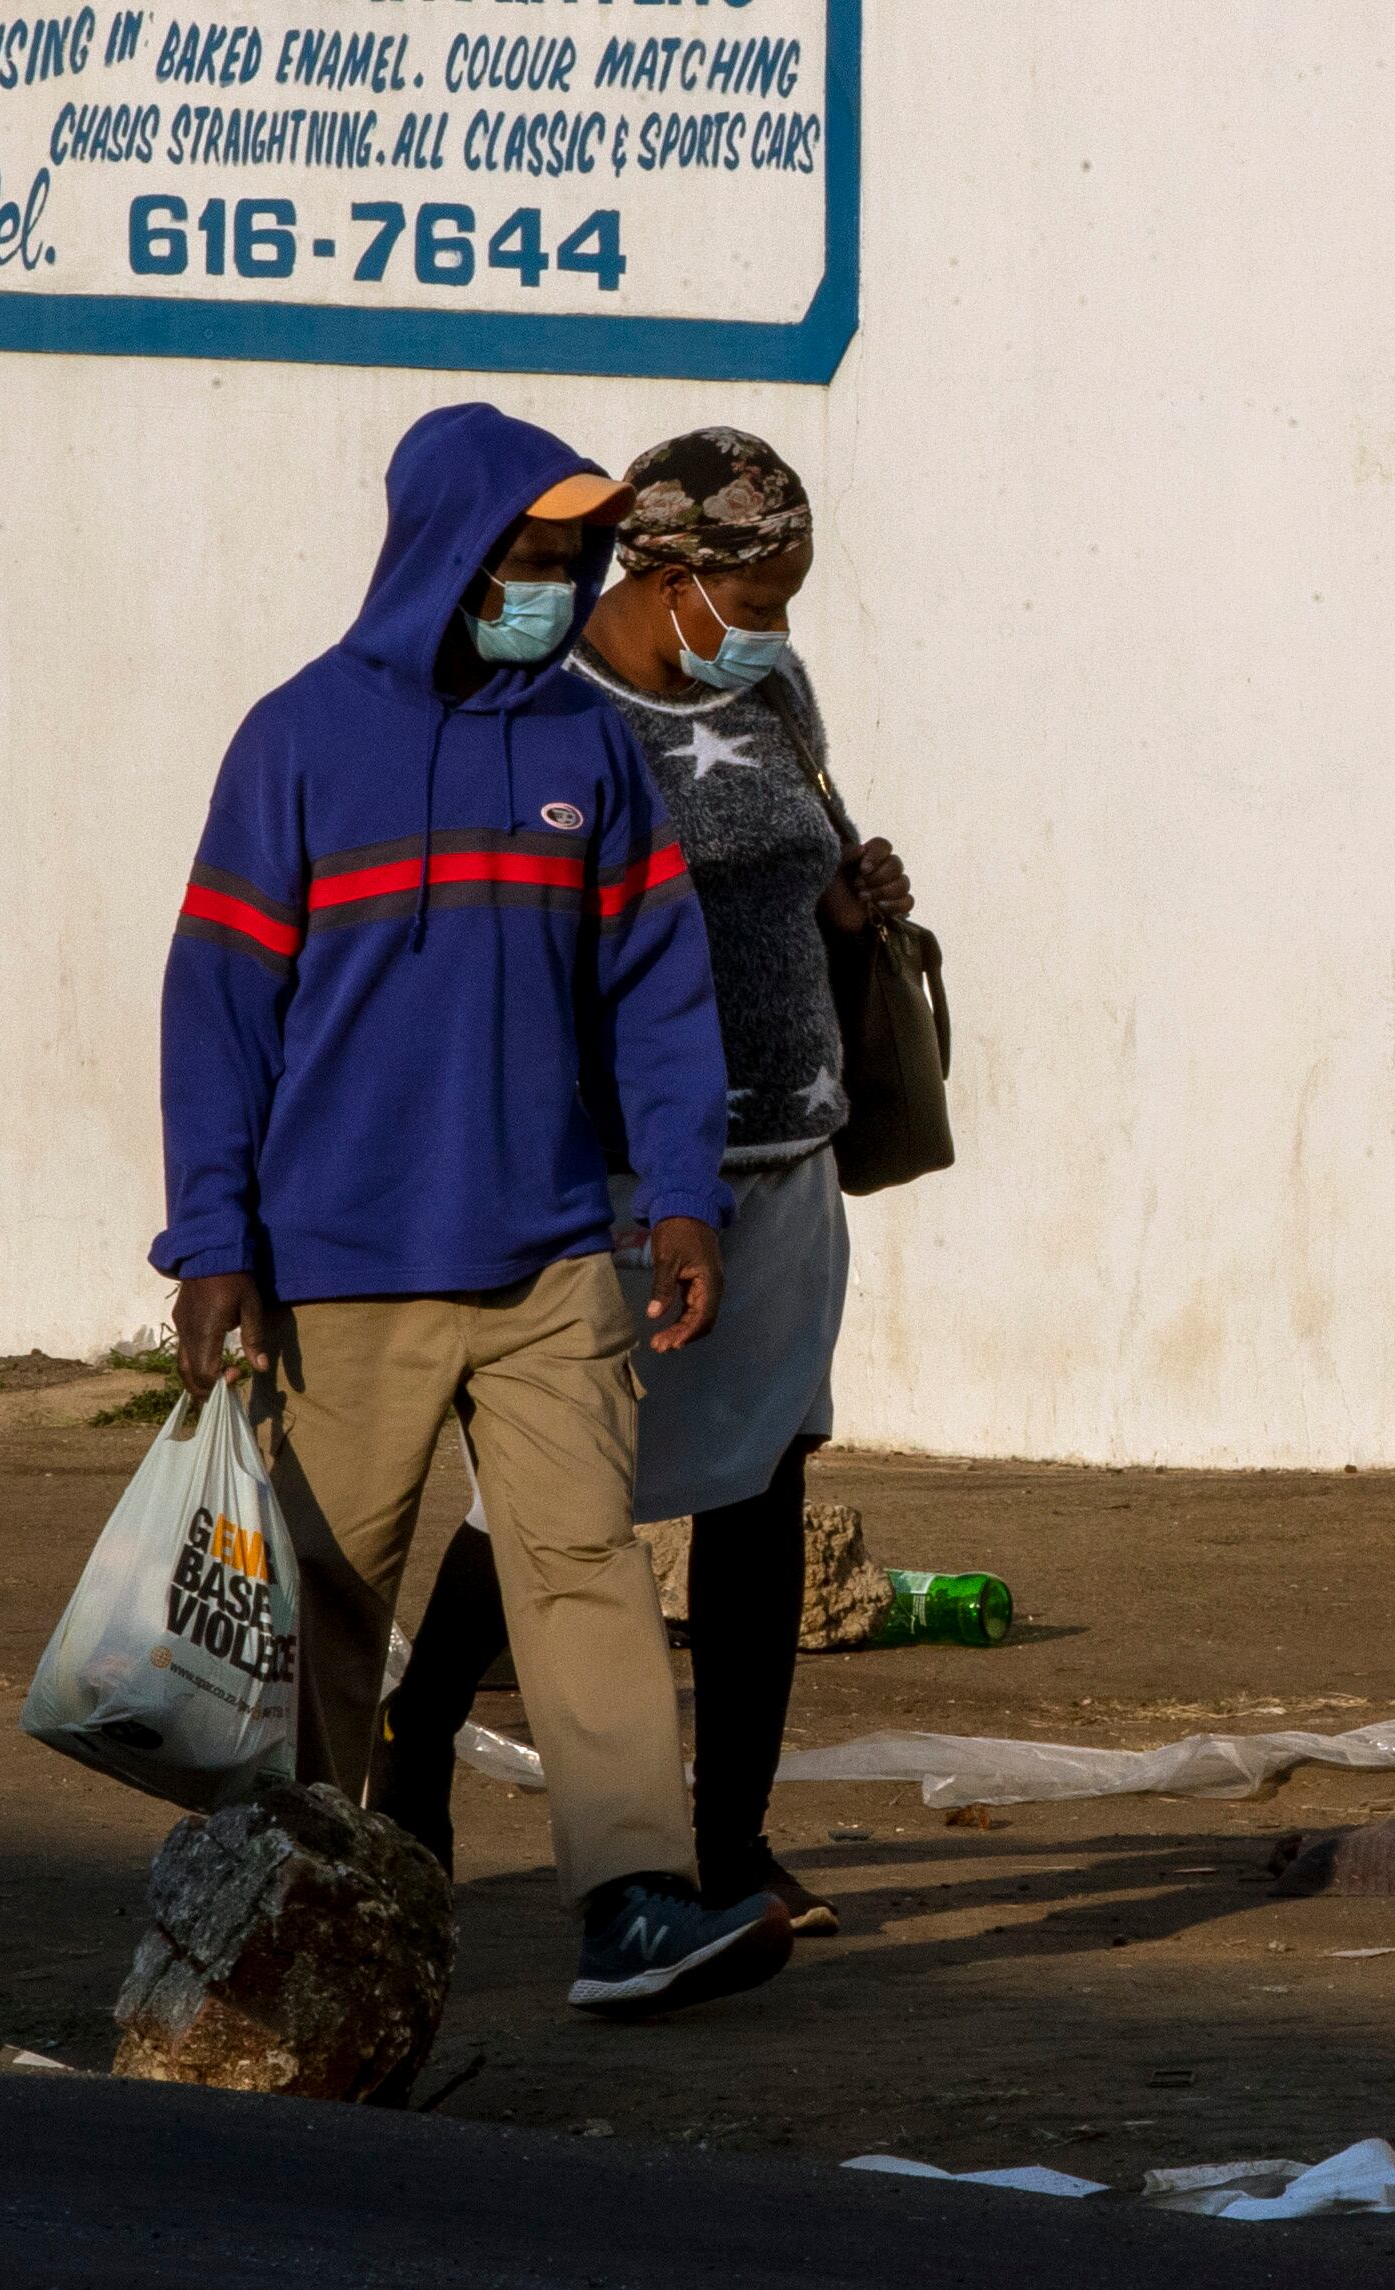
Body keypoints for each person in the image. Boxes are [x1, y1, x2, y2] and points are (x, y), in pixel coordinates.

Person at [157, 403, 794, 2016]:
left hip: (551, 1260)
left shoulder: (586, 750)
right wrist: (212, 1238)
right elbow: (218, 1002)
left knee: (585, 1567)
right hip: (344, 1272)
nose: (553, 582)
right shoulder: (296, 741)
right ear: (445, 551)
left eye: (570, 556)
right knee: (328, 1602)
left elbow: (658, 990)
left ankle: (636, 1899)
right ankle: (279, 1904)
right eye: (528, 554)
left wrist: (686, 1203)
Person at [375, 428, 909, 1937]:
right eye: (757, 592)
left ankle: (730, 1842)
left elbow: (786, 857)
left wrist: (851, 895)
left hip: (787, 1145)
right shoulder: (551, 713)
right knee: (556, 1497)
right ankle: (413, 1757)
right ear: (669, 576)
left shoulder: (770, 688)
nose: (775, 628)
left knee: (763, 1488)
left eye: (791, 599)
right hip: (624, 1172)